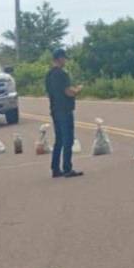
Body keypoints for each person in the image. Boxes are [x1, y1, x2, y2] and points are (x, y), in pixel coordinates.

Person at [45, 49, 83, 178]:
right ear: (59, 58)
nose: (65, 61)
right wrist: (77, 90)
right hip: (65, 110)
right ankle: (67, 168)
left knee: (59, 140)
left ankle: (55, 169)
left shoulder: (49, 75)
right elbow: (68, 92)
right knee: (68, 139)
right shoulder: (62, 74)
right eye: (64, 58)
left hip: (55, 109)